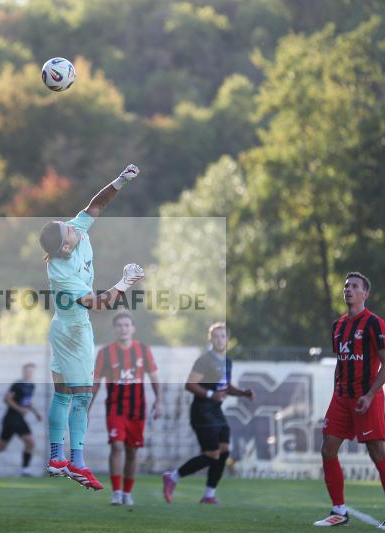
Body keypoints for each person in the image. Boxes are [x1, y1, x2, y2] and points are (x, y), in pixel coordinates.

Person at [38, 164, 146, 491]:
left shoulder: (73, 232)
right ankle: (77, 461)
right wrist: (126, 282)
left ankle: (58, 458)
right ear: (66, 248)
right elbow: (98, 304)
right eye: (68, 231)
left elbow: (94, 206)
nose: (74, 227)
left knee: (62, 395)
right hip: (74, 332)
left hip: (62, 327)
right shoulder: (61, 272)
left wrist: (119, 181)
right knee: (82, 397)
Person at [313, 272, 385, 528]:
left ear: (365, 293)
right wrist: (336, 393)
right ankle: (339, 511)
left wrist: (370, 394)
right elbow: (341, 364)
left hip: (367, 397)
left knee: (377, 453)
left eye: (354, 286)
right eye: (346, 286)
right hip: (342, 398)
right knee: (327, 449)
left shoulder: (375, 323)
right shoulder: (338, 326)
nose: (348, 290)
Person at [162, 322, 252, 505]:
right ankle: (173, 477)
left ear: (228, 339)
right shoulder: (205, 360)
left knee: (224, 451)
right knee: (212, 454)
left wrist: (242, 393)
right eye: (216, 336)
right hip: (202, 412)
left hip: (216, 412)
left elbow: (224, 387)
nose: (219, 339)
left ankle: (209, 494)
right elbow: (190, 384)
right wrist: (212, 394)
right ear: (210, 339)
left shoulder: (227, 361)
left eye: (223, 336)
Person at [93, 312, 161, 506]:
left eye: (126, 325)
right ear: (115, 329)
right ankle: (116, 491)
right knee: (116, 446)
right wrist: (85, 409)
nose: (123, 328)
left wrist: (159, 401)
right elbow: (96, 383)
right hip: (115, 408)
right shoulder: (105, 353)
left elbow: (154, 378)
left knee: (132, 452)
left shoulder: (143, 350)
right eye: (119, 325)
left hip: (137, 410)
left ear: (133, 328)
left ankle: (127, 493)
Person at [0, 363, 42, 476]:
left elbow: (27, 402)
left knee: (30, 443)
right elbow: (6, 399)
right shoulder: (17, 384)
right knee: (1, 447)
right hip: (11, 419)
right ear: (23, 372)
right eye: (27, 371)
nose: (29, 373)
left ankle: (25, 470)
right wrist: (19, 409)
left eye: (31, 371)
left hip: (20, 420)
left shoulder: (31, 386)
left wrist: (36, 413)